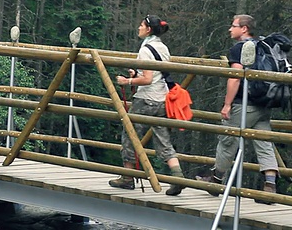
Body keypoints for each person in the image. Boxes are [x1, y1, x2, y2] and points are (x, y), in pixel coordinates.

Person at [196, 14, 278, 204]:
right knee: (264, 143)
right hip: (264, 103)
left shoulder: (239, 49)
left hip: (244, 104)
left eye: (233, 26)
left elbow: (235, 77)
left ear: (244, 29)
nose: (229, 29)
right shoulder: (264, 46)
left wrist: (227, 104)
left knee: (227, 140)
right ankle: (270, 186)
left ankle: (216, 180)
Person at [108, 15, 185, 196]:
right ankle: (178, 176)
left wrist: (127, 81)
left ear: (148, 29)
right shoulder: (163, 47)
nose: (138, 28)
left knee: (129, 134)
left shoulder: (145, 50)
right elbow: (157, 73)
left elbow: (148, 79)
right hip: (162, 99)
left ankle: (127, 177)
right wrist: (137, 72)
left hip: (146, 99)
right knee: (163, 140)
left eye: (141, 25)